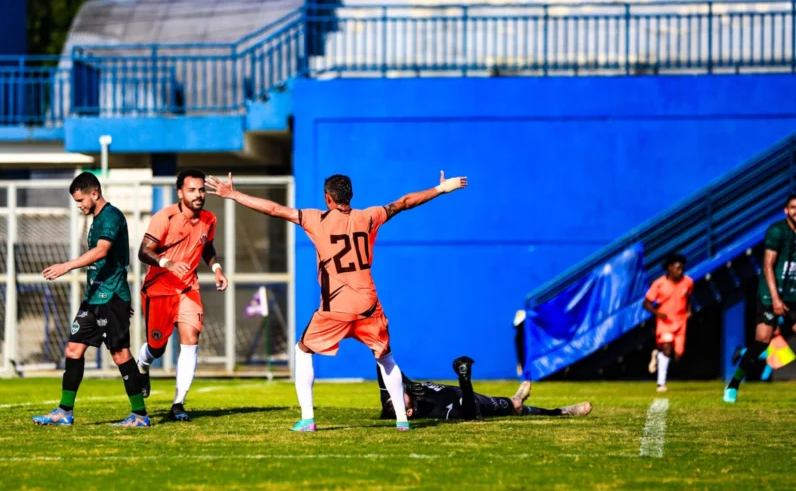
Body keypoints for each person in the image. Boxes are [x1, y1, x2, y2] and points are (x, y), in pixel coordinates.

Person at [207, 170, 467, 432]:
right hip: (368, 306)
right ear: (350, 196)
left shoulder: (316, 219)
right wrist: (441, 189)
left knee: (302, 350)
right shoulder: (369, 216)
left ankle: (308, 419)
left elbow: (274, 209)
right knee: (386, 358)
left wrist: (233, 194)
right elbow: (405, 202)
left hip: (335, 308)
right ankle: (402, 420)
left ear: (328, 198)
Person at [32, 172, 149, 427]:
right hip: (94, 298)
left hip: (112, 296)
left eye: (80, 200)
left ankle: (140, 415)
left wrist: (66, 266)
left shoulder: (111, 216)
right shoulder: (95, 219)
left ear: (94, 194)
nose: (79, 205)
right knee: (73, 349)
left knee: (119, 353)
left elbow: (102, 251)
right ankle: (64, 411)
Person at [136, 169, 228, 422]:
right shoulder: (164, 217)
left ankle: (178, 404)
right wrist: (167, 263)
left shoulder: (209, 219)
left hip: (188, 290)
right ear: (180, 193)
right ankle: (142, 364)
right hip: (158, 291)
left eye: (201, 190)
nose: (198, 195)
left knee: (191, 338)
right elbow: (143, 251)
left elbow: (207, 246)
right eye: (192, 190)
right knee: (157, 348)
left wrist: (217, 268)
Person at [725, 194, 796, 402]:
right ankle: (733, 384)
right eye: (793, 207)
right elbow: (767, 266)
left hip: (792, 295)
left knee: (782, 352)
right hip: (770, 295)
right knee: (762, 342)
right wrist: (775, 299)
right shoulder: (777, 231)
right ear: (786, 210)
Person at [378, 356, 592, 421]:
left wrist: (378, 343)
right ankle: (563, 412)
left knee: (515, 404)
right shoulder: (435, 412)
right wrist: (465, 381)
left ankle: (517, 397)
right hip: (474, 402)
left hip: (466, 393)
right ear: (408, 412)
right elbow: (468, 413)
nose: (393, 395)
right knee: (516, 407)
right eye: (394, 401)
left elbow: (385, 367)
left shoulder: (410, 390)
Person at [643, 253, 693, 393]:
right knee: (667, 348)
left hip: (681, 321)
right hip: (665, 321)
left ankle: (657, 354)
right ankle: (661, 383)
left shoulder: (688, 282)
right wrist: (658, 313)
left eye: (682, 268)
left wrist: (689, 310)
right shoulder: (659, 284)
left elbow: (688, 297)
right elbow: (646, 303)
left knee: (677, 355)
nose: (680, 271)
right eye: (678, 268)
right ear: (670, 268)